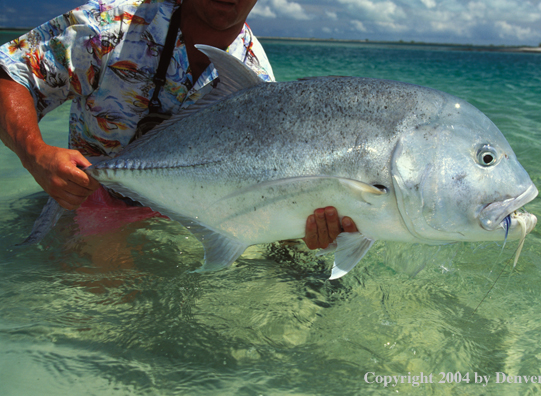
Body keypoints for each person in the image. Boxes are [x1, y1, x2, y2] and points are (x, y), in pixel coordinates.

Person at [0, 0, 356, 250]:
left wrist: (305, 230)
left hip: (184, 223)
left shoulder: (257, 77)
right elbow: (10, 75)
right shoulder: (111, 27)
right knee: (104, 312)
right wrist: (36, 154)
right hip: (87, 199)